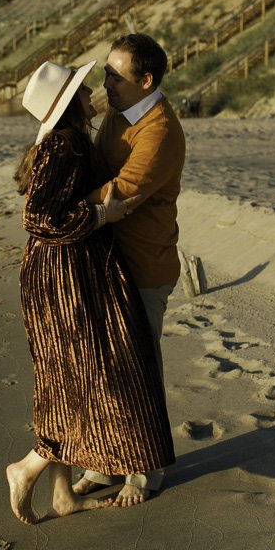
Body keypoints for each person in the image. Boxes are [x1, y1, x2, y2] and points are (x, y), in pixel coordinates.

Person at [5, 59, 175, 525]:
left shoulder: (67, 141)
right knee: (82, 379)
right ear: (68, 104)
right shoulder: (64, 146)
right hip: (62, 275)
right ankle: (29, 467)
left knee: (63, 383)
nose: (92, 94)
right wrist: (101, 216)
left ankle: (63, 494)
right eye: (82, 90)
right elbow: (37, 220)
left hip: (62, 272)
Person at [73, 32, 186, 508]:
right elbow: (97, 169)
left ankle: (146, 469)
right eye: (105, 73)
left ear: (146, 79)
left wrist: (62, 206)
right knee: (106, 369)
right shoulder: (119, 116)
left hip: (145, 267)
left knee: (139, 370)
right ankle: (103, 462)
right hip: (109, 262)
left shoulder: (159, 129)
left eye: (116, 77)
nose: (107, 83)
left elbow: (122, 190)